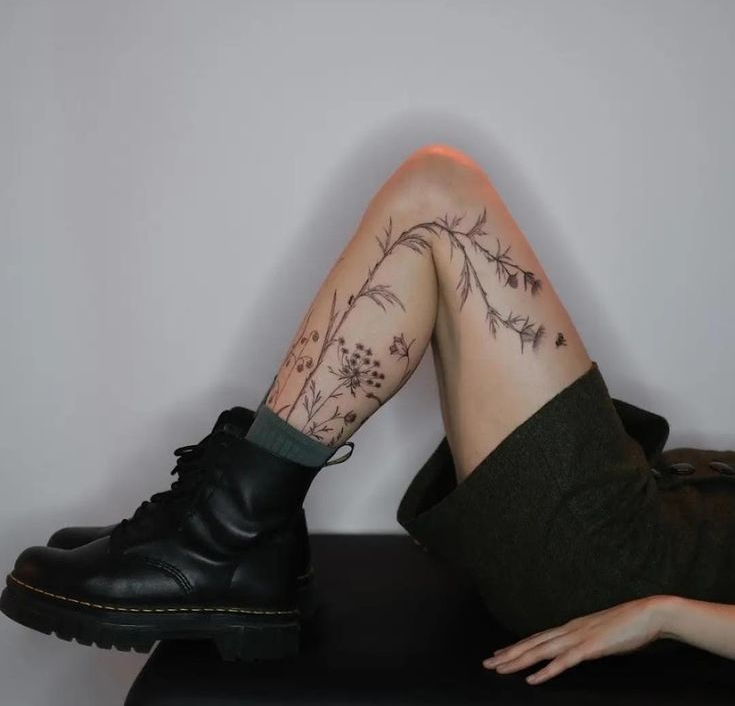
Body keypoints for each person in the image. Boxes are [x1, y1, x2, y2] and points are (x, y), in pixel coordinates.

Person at [2, 144, 735, 680]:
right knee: (428, 213)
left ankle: (224, 536)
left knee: (437, 192)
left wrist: (664, 612)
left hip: (619, 559)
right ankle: (242, 534)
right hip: (630, 516)